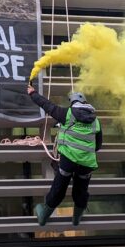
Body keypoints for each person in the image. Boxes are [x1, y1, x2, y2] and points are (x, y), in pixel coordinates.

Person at [26, 85, 102, 226]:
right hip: (86, 163)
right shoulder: (96, 121)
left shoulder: (66, 113)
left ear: (72, 103)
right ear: (85, 103)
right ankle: (76, 219)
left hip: (68, 161)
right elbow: (98, 146)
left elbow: (47, 105)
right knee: (81, 189)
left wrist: (33, 93)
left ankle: (43, 217)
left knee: (59, 187)